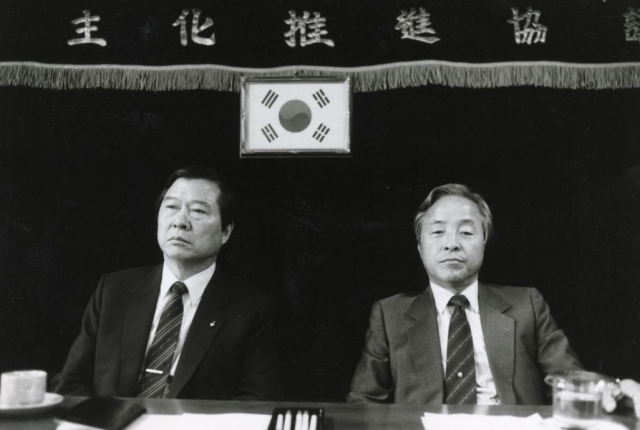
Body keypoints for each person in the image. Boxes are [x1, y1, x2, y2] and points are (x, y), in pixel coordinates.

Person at [348, 183, 637, 409]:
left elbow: (570, 378)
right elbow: (363, 402)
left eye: (466, 232)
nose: (452, 244)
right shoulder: (390, 315)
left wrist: (614, 391)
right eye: (437, 232)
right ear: (420, 247)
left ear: (484, 242)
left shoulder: (527, 305)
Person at [53, 165, 281, 400]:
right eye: (171, 207)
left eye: (199, 211)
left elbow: (255, 401)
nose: (180, 221)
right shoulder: (113, 289)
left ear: (225, 232)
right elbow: (72, 381)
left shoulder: (253, 308)